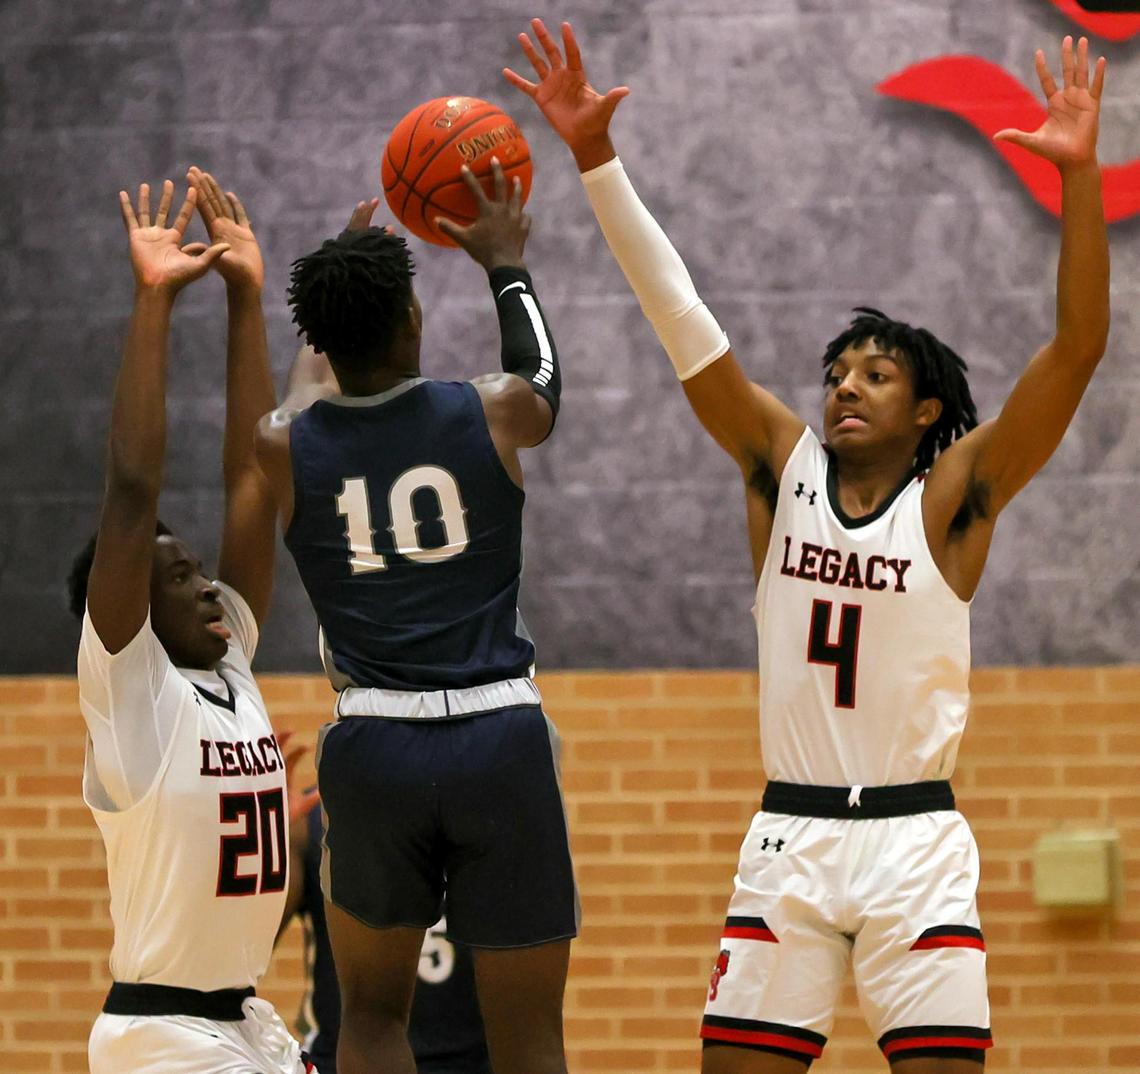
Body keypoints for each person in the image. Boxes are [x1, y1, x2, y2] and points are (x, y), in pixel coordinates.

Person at [507, 21, 1109, 1073]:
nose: (845, 387)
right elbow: (680, 316)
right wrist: (596, 157)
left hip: (916, 843)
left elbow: (1078, 349)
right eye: (837, 373)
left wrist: (1083, 179)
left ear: (928, 412)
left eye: (876, 374)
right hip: (790, 838)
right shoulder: (778, 468)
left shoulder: (953, 501)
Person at [255, 165, 576, 1074]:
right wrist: (505, 262)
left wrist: (334, 298)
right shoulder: (491, 409)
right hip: (497, 732)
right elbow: (542, 378)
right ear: (412, 320)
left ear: (320, 336)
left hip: (374, 744)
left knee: (368, 1019)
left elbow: (303, 391)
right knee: (529, 1038)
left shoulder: (283, 444)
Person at [71, 168, 317, 1073]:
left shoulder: (229, 664)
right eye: (181, 578)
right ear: (136, 605)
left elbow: (253, 477)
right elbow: (134, 491)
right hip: (163, 1038)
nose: (210, 587)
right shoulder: (131, 690)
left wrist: (248, 294)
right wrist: (156, 302)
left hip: (244, 1021)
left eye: (202, 572)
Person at [281, 799, 493, 1074]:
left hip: (471, 1063)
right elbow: (244, 956)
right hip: (339, 1061)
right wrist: (268, 843)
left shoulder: (490, 815)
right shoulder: (312, 822)